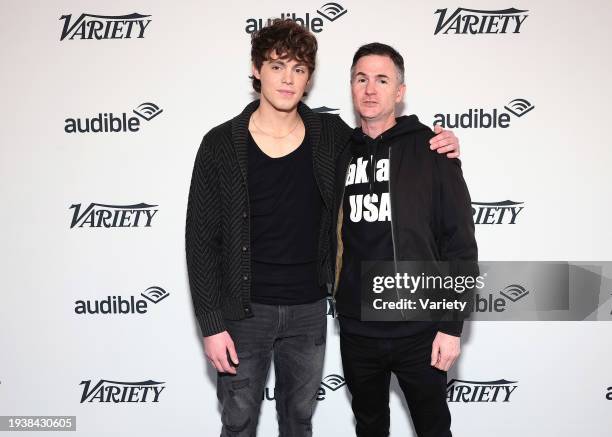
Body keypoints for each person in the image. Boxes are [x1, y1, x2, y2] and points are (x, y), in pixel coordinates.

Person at [185, 21, 460, 437]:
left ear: (309, 78)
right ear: (257, 70)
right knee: (238, 421)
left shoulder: (330, 137)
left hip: (308, 311)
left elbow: (384, 136)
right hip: (243, 313)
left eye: (298, 68)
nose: (287, 78)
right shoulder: (220, 144)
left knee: (299, 421)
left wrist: (440, 144)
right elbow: (200, 240)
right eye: (277, 66)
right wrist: (210, 322)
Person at [332, 43, 478, 437]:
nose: (370, 89)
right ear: (351, 86)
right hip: (358, 329)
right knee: (369, 428)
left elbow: (460, 245)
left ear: (399, 91)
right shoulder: (337, 153)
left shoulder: (431, 149)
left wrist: (451, 326)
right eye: (361, 79)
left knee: (433, 429)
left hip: (420, 329)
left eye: (382, 80)